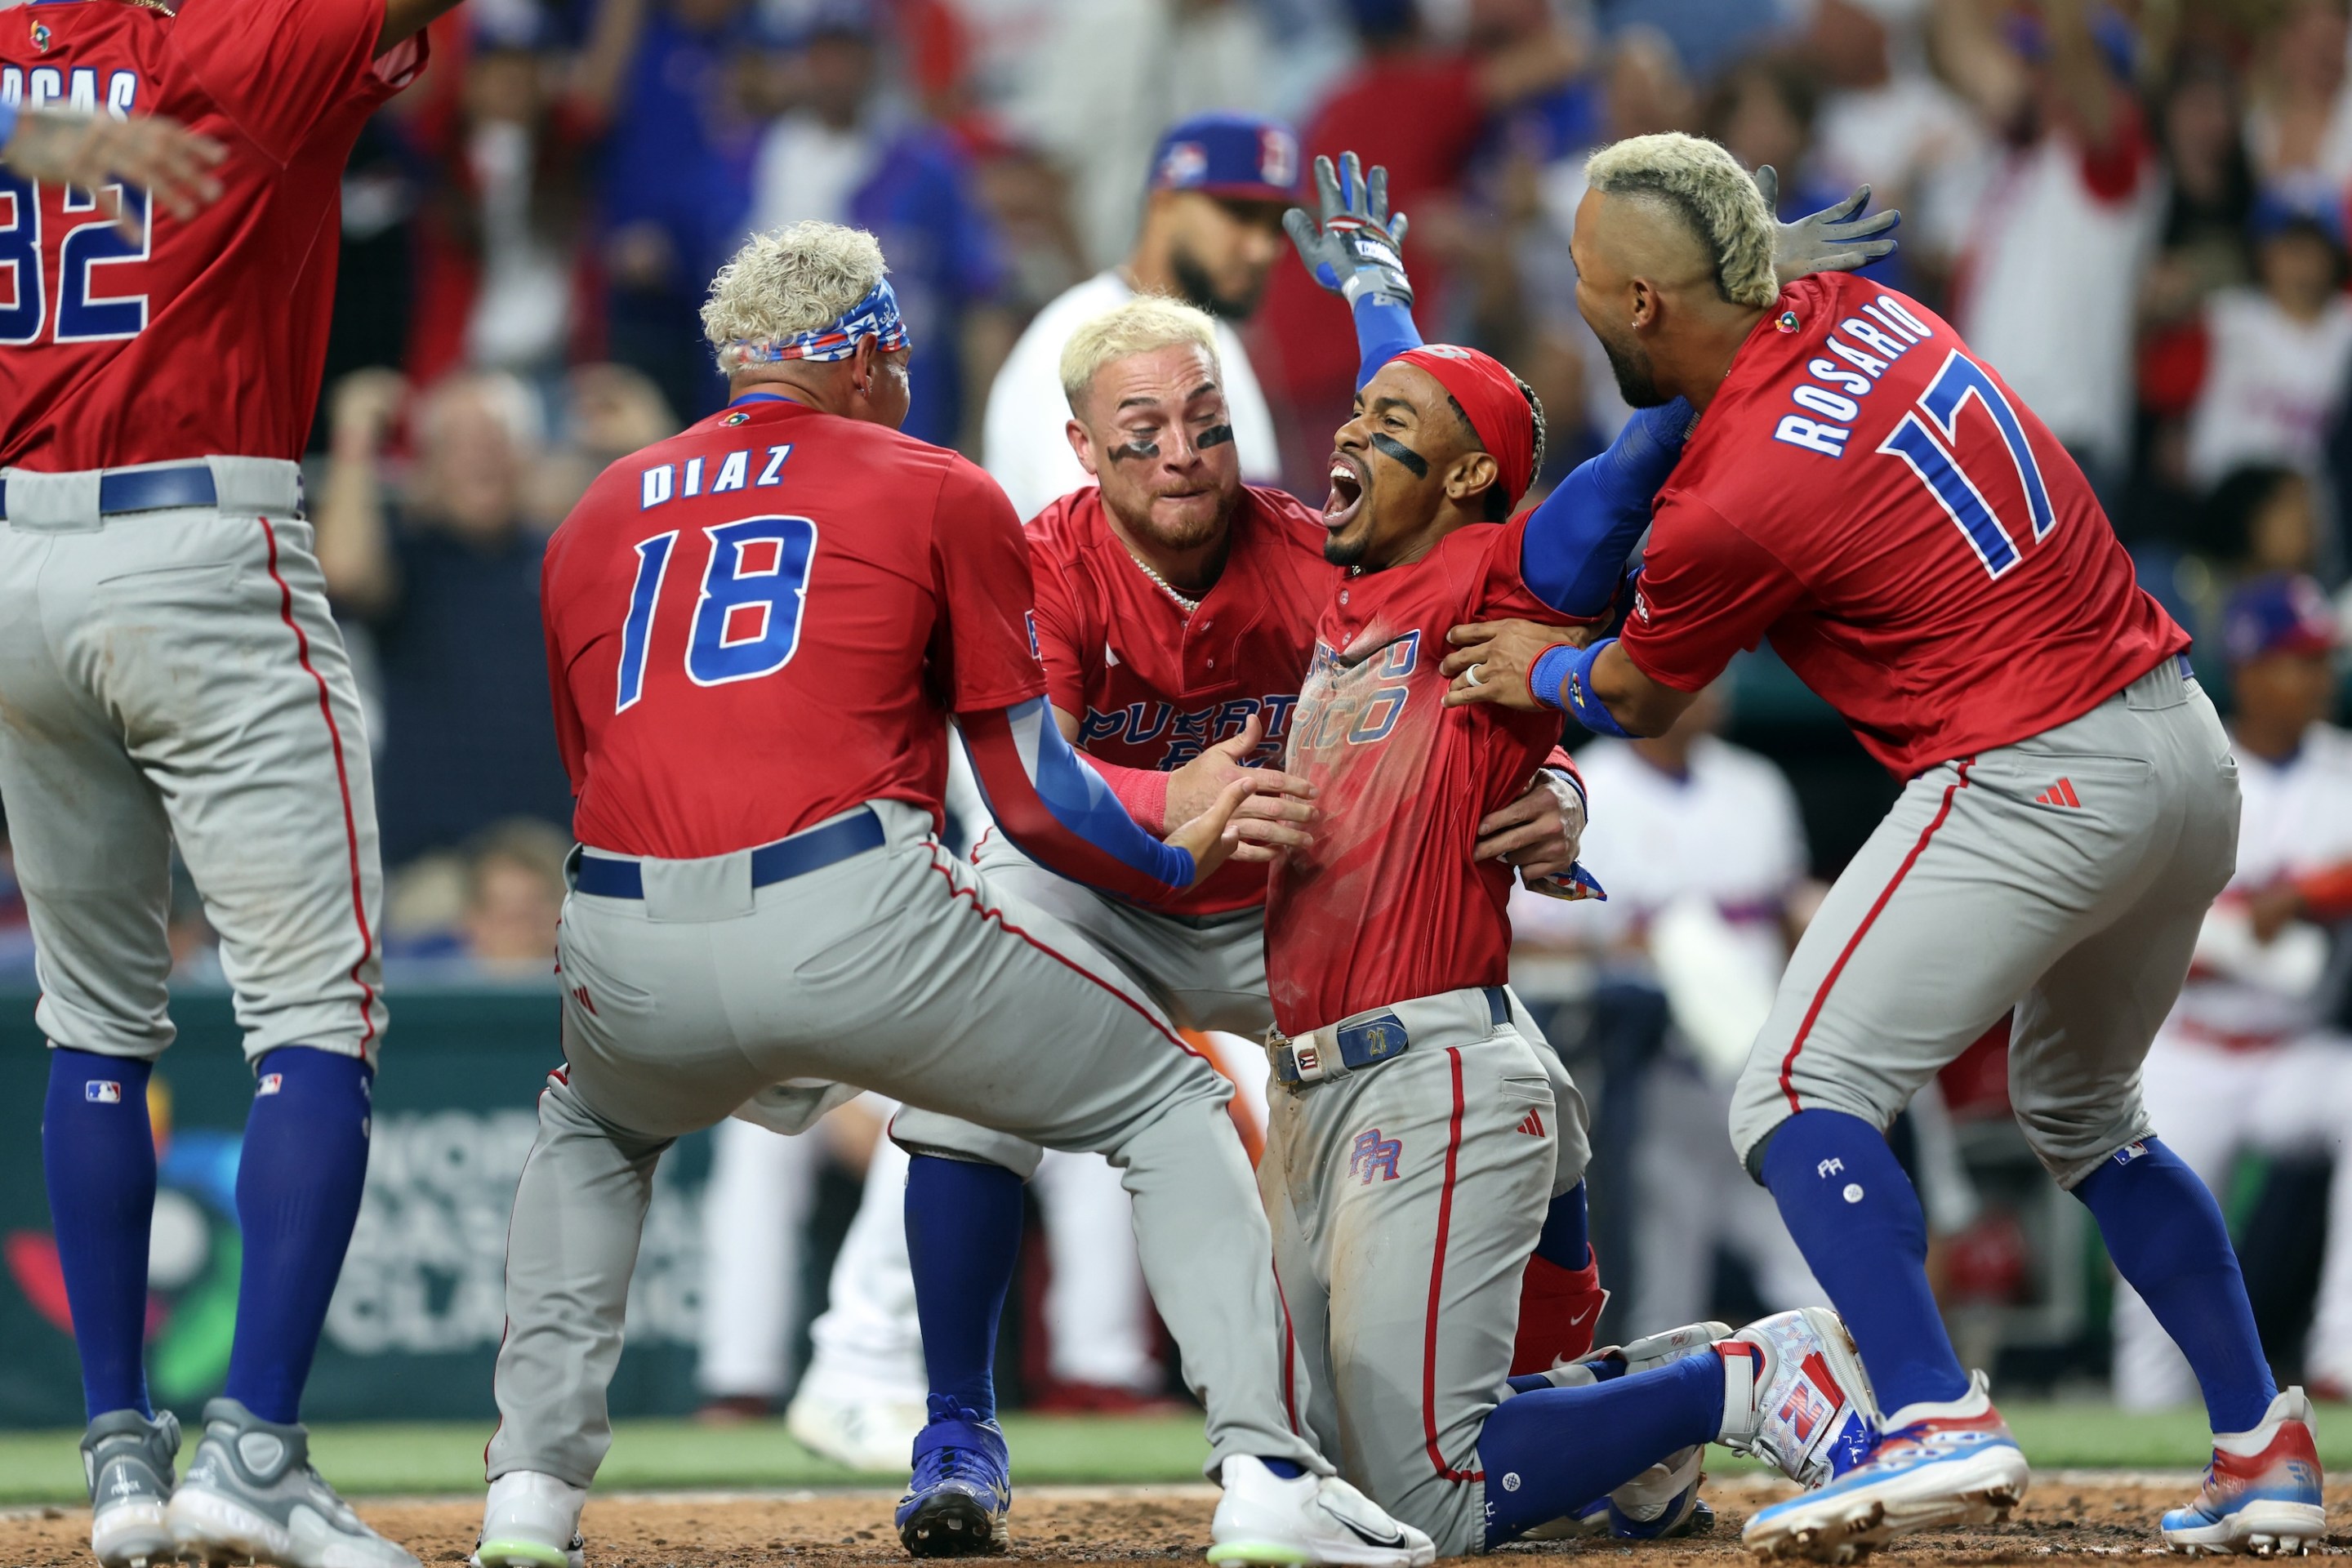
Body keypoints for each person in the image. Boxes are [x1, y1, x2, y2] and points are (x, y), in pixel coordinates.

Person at [473, 219, 1434, 1568]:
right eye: (899, 346)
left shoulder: (592, 513)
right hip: (851, 904)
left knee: (588, 1136)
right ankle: (1270, 1477)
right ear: (862, 354)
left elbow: (598, 772)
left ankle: (525, 1502)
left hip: (627, 933)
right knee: (1168, 1097)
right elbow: (1032, 797)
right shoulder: (937, 485)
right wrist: (1172, 857)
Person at [1441, 129, 2324, 1560]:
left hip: (2037, 765)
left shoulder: (1730, 497)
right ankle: (2264, 1442)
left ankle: (1925, 1408)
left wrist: (1535, 670)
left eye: (1594, 282)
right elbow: (1764, 320)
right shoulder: (1875, 309)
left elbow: (1645, 695)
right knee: (2089, 1115)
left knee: (1793, 1090)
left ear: (1648, 304)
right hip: (2182, 750)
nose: (1583, 302)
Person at [846, 293, 1600, 1553]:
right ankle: (957, 1427)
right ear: (1083, 450)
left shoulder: (1318, 549)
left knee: (1510, 1068)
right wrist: (1166, 796)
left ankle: (1561, 1375)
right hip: (1094, 888)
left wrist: (1560, 790)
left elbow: (1491, 675)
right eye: (1141, 431)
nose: (1182, 453)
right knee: (962, 1081)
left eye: (1205, 421)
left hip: (1284, 898)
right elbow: (1025, 777)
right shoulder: (1040, 559)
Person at [0, 0, 461, 1559]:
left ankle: (121, 1452)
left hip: (13, 566)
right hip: (202, 544)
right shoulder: (252, 36)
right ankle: (252, 1442)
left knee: (95, 1021)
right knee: (313, 1016)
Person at [1507, 684, 1828, 1334]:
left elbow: (1790, 905)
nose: (1715, 687)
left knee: (1808, 1250)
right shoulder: (1589, 786)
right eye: (1696, 673)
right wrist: (1641, 941)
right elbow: (1528, 934)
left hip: (1756, 1063)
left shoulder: (1755, 784)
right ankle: (1661, 1423)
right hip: (1647, 1072)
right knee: (1659, 1286)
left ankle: (1868, 1399)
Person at [2120, 575, 2352, 1405]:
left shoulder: (2342, 769)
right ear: (2249, 671)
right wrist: (2222, 933)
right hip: (2190, 1046)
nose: (2319, 679)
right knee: (2153, 1267)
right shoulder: (2191, 763)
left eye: (2323, 661)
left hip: (2296, 1049)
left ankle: (2340, 1360)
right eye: (2298, 662)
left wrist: (2306, 898)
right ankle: (2144, 1415)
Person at [315, 369, 576, 864]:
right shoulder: (407, 561)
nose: (481, 456)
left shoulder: (563, 560)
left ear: (528, 458)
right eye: (458, 444)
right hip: (434, 865)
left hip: (556, 864)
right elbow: (343, 574)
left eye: (496, 439)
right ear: (426, 467)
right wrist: (355, 439)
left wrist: (649, 445)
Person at [982, 111, 1293, 519]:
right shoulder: (1079, 338)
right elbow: (1094, 547)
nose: (1262, 248)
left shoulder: (1218, 340)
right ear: (1164, 200)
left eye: (1277, 226)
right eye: (1240, 214)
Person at [743, 0, 1009, 451]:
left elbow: (983, 302)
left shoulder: (926, 168)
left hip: (911, 426)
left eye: (850, 53)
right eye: (824, 53)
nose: (836, 70)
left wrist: (981, 432)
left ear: (877, 60)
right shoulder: (750, 164)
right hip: (785, 431)